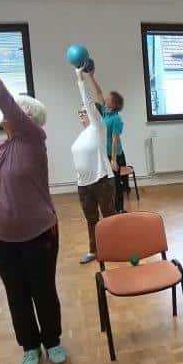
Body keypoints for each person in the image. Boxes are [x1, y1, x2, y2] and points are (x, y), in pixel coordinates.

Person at [0, 24, 67, 364]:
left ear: (26, 119)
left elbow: (2, 96)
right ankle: (29, 345)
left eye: (15, 111)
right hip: (2, 236)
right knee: (16, 293)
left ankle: (52, 341)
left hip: (38, 232)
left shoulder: (32, 139)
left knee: (43, 290)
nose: (7, 114)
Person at [71, 65, 115, 264]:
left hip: (102, 180)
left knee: (109, 217)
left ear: (93, 114)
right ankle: (94, 250)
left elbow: (89, 101)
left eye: (84, 112)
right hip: (83, 184)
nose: (81, 114)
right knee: (91, 220)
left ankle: (117, 246)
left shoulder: (98, 127)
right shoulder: (82, 135)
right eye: (79, 113)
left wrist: (81, 78)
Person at [91, 74, 128, 212]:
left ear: (114, 104)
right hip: (106, 154)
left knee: (117, 183)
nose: (105, 99)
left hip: (116, 155)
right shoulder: (106, 113)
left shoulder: (116, 119)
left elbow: (114, 140)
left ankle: (120, 209)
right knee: (107, 183)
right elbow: (99, 93)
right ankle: (112, 209)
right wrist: (91, 76)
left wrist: (113, 160)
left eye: (109, 99)